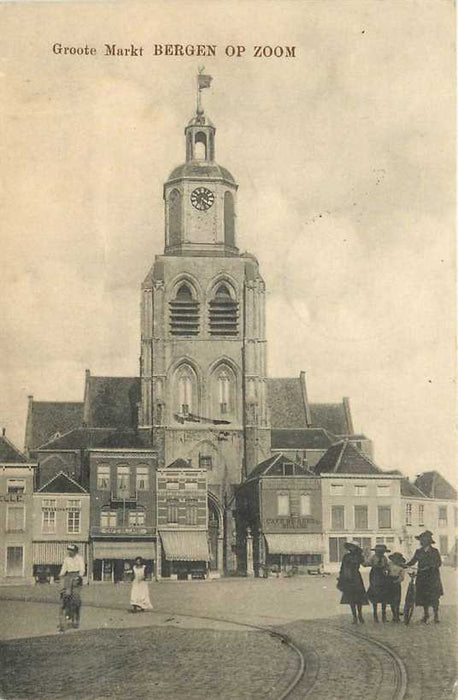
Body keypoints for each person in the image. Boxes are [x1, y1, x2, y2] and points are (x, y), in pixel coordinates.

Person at [405, 530, 443, 623]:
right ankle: (426, 614)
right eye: (421, 540)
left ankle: (436, 615)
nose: (421, 542)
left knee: (434, 596)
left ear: (428, 541)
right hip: (422, 576)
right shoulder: (418, 551)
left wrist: (431, 566)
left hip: (433, 576)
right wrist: (405, 565)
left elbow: (439, 563)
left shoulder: (435, 551)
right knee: (423, 596)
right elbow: (413, 561)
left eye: (423, 540)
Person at [337, 542, 368, 624]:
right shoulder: (346, 556)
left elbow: (364, 564)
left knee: (359, 598)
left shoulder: (359, 557)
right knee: (351, 598)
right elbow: (342, 567)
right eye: (350, 547)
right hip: (347, 578)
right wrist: (341, 577)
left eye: (353, 547)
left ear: (356, 548)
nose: (351, 548)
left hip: (356, 577)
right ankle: (354, 617)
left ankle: (360, 615)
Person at [364, 543, 390, 622]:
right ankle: (375, 615)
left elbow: (387, 566)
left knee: (384, 596)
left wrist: (387, 571)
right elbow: (366, 564)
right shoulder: (373, 557)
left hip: (382, 576)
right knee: (375, 594)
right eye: (378, 551)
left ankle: (384, 616)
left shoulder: (384, 558)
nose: (380, 553)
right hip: (374, 575)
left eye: (381, 552)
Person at [386, 552, 406, 622]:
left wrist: (397, 581)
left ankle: (397, 616)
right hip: (389, 582)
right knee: (391, 600)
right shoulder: (389, 564)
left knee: (397, 600)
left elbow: (402, 577)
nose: (396, 560)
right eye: (395, 559)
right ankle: (394, 614)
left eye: (398, 559)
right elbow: (386, 570)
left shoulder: (401, 567)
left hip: (396, 583)